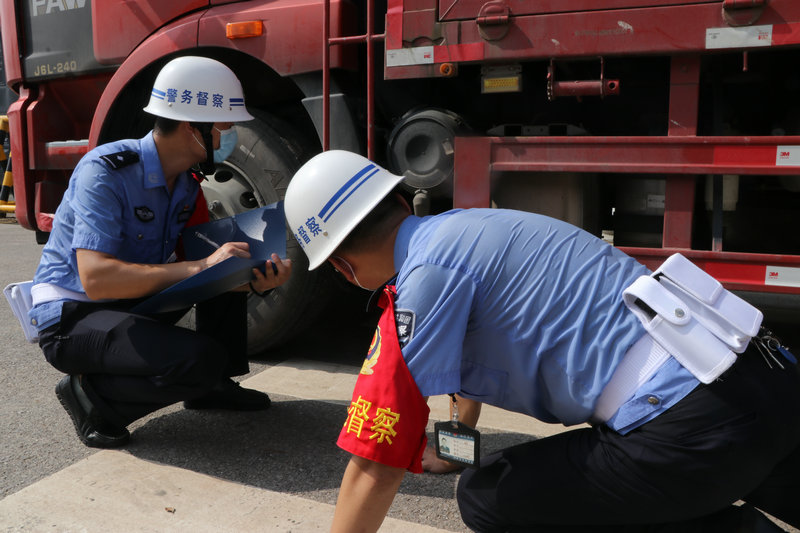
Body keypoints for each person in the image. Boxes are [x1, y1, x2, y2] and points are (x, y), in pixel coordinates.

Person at [283, 150, 800, 533]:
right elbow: (464, 365)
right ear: (400, 200)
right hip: (771, 382)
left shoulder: (421, 285)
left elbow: (375, 464)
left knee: (488, 496)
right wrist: (455, 447)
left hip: (692, 430)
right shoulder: (470, 227)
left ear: (342, 267)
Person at [29, 56, 291, 449]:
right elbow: (97, 279)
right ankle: (92, 396)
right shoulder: (105, 172)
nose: (231, 135)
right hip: (73, 317)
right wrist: (202, 266)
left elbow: (205, 269)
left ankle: (212, 387)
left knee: (230, 257)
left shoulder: (185, 186)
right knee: (197, 358)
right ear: (192, 127)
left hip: (126, 302)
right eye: (225, 126)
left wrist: (255, 278)